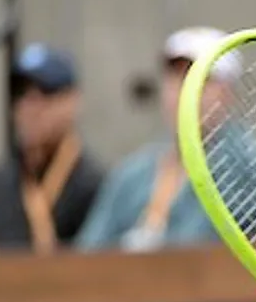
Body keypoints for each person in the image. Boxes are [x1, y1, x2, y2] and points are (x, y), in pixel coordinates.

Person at [76, 27, 239, 252]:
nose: (184, 91)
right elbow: (88, 251)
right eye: (175, 78)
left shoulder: (247, 170)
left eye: (201, 79)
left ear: (227, 92)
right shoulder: (132, 173)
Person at [0, 44, 103, 256]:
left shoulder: (97, 186)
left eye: (45, 94)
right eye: (21, 95)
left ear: (72, 101)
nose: (30, 108)